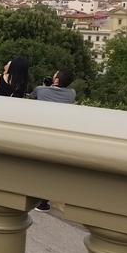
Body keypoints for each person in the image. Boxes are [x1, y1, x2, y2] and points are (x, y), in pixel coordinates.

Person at [30, 66, 76, 212]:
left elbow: (32, 99)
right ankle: (43, 202)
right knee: (49, 170)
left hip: (40, 133)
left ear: (56, 80)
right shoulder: (72, 94)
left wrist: (45, 86)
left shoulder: (41, 90)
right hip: (58, 137)